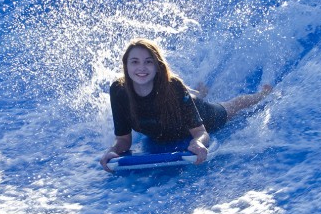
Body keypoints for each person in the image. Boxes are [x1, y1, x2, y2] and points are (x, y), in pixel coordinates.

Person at [100, 38, 272, 172]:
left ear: (157, 66)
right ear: (126, 65)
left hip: (202, 115)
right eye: (135, 61)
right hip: (173, 117)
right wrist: (113, 150)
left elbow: (200, 132)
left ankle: (262, 94)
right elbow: (123, 140)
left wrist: (198, 143)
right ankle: (199, 91)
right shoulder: (119, 90)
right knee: (186, 97)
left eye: (148, 61)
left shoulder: (172, 86)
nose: (141, 68)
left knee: (231, 107)